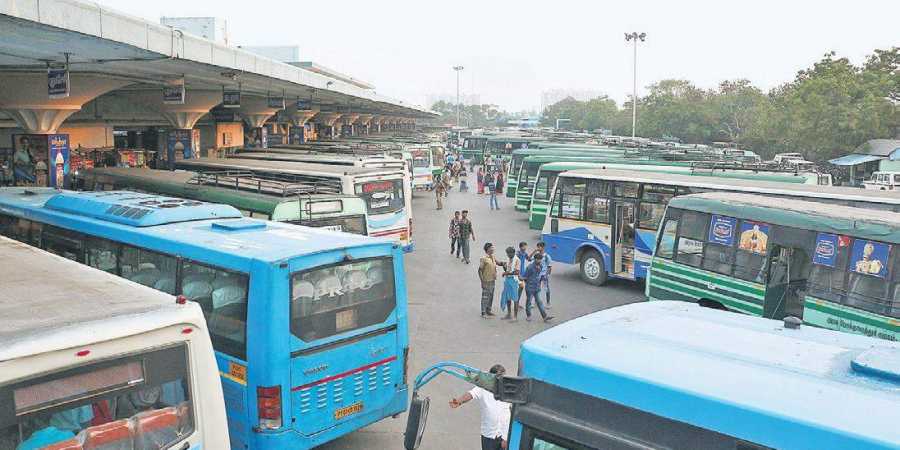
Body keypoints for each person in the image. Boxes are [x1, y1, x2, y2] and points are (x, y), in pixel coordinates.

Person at [449, 364, 511, 450]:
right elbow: (471, 394)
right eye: (499, 378)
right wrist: (459, 401)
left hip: (504, 435)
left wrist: (506, 438)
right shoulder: (483, 388)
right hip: (489, 436)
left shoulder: (508, 390)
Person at [523, 253, 553, 322]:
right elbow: (525, 277)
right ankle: (529, 315)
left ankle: (544, 316)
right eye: (538, 260)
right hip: (530, 287)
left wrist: (542, 277)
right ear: (535, 259)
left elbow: (538, 275)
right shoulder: (529, 267)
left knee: (539, 302)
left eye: (540, 260)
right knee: (529, 302)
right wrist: (529, 283)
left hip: (536, 287)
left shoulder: (540, 266)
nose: (539, 261)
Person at [500, 246, 522, 321]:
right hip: (507, 280)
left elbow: (517, 272)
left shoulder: (517, 260)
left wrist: (507, 273)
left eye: (509, 253)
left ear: (513, 253)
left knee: (515, 299)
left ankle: (515, 317)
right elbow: (507, 269)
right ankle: (509, 314)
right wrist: (504, 267)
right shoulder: (508, 259)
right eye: (507, 253)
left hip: (513, 281)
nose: (508, 255)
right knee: (508, 298)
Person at [478, 242, 499, 318]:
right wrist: (482, 282)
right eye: (491, 248)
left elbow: (498, 262)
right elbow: (479, 270)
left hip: (492, 279)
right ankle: (483, 312)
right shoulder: (484, 259)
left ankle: (488, 310)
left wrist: (503, 263)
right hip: (486, 281)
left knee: (491, 296)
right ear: (488, 249)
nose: (493, 249)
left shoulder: (492, 257)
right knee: (485, 296)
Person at [535, 241, 553, 308]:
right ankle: (537, 302)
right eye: (538, 247)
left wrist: (547, 275)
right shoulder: (536, 255)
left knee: (546, 289)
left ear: (543, 247)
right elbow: (529, 259)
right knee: (536, 288)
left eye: (539, 247)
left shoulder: (546, 256)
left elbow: (549, 267)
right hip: (537, 275)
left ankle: (548, 303)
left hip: (544, 275)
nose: (538, 248)